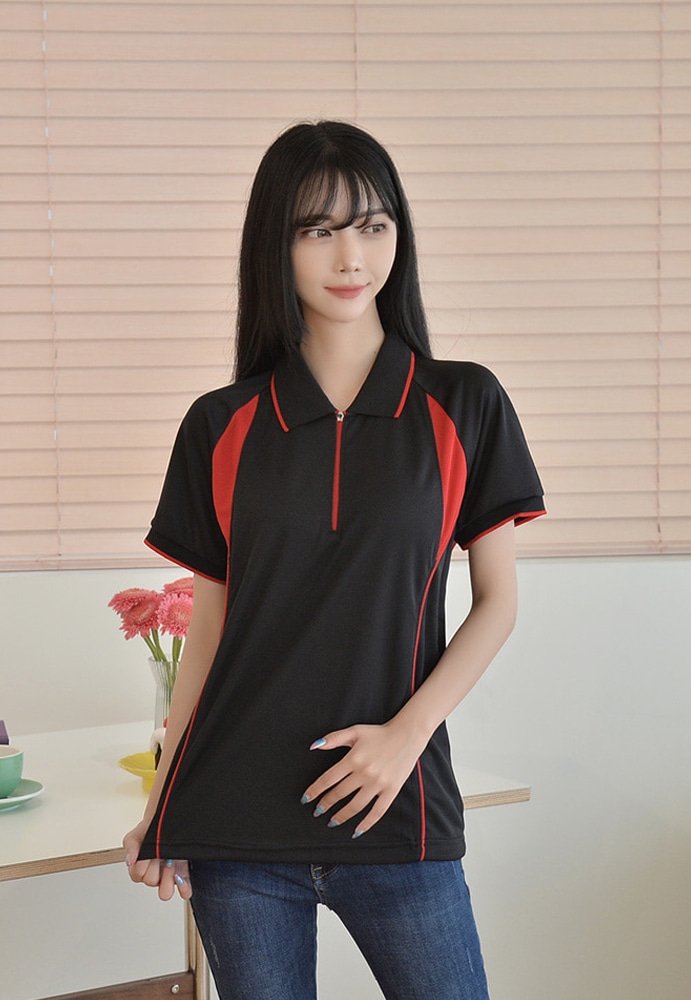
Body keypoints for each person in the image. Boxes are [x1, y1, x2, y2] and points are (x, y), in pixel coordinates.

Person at [123, 120, 545, 1000]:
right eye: (318, 229)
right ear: (275, 245)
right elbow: (210, 632)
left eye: (373, 225)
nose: (352, 256)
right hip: (237, 824)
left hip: (398, 811)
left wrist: (405, 737)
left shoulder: (464, 402)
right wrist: (164, 806)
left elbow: (497, 603)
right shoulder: (220, 424)